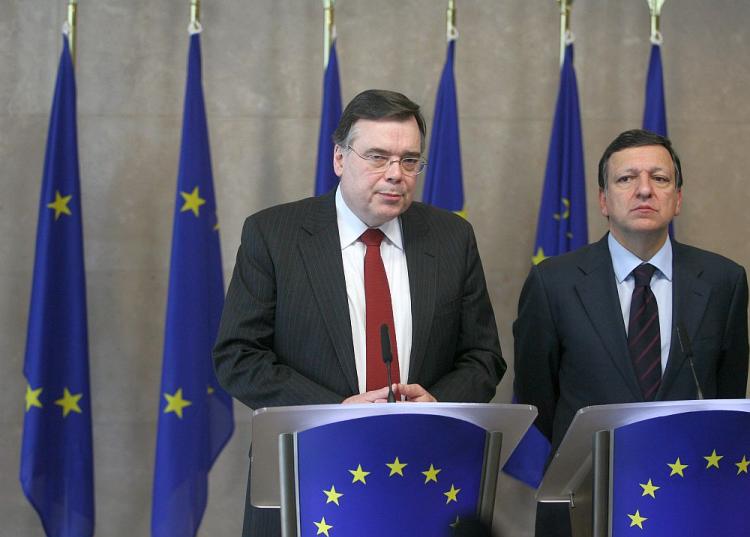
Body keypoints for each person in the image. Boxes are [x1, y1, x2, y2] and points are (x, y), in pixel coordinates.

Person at [213, 89, 506, 536]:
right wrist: (335, 413)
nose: (396, 175)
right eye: (377, 157)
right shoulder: (274, 235)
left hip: (423, 472)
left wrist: (437, 405)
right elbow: (239, 356)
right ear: (339, 159)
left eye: (410, 161)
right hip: (307, 468)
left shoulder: (452, 238)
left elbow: (483, 356)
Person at [513, 129, 749, 537]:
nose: (644, 190)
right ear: (604, 200)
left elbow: (727, 389)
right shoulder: (553, 282)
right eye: (626, 179)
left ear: (678, 198)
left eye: (660, 179)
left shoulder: (723, 280)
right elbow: (538, 396)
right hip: (584, 499)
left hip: (690, 495)